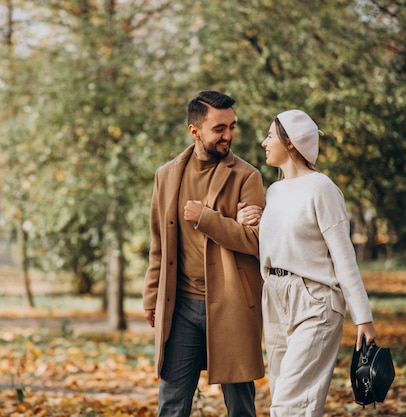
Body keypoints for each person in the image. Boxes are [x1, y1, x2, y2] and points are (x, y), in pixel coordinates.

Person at [237, 109, 377, 416]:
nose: (264, 142)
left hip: (314, 300)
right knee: (284, 398)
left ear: (290, 143)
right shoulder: (274, 191)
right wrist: (247, 221)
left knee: (291, 404)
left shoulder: (322, 188)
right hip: (274, 296)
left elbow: (343, 256)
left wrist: (362, 317)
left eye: (270, 136)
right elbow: (284, 243)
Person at [142, 90, 266, 417]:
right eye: (219, 128)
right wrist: (151, 295)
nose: (229, 136)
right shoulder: (166, 175)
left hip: (233, 305)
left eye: (232, 126)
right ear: (194, 131)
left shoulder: (246, 176)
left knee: (241, 406)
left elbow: (257, 243)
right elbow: (159, 244)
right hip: (181, 306)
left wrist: (208, 219)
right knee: (172, 403)